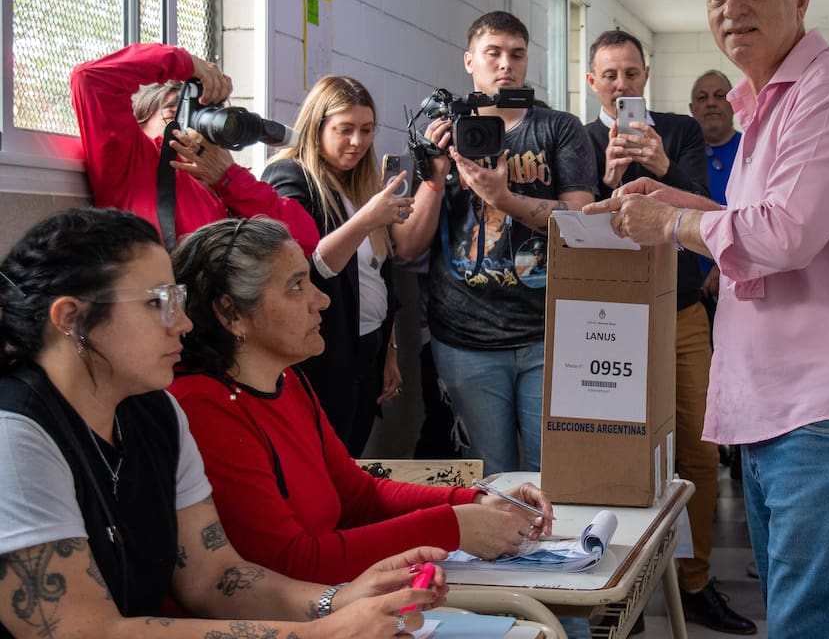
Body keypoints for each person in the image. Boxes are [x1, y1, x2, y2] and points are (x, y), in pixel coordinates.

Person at [584, 0, 829, 638]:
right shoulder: (767, 107)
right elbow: (760, 221)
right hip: (785, 412)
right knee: (798, 622)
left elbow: (787, 235)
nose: (731, 6)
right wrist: (678, 203)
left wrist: (669, 227)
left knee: (813, 627)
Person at [0, 207, 445, 639]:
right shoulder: (14, 436)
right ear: (71, 320)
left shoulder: (157, 412)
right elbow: (84, 631)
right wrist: (321, 632)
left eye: (176, 298)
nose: (182, 322)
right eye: (156, 302)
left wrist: (338, 600)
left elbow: (214, 577)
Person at [167, 216, 554, 585]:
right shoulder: (203, 407)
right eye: (297, 286)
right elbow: (288, 563)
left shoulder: (287, 380)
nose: (322, 301)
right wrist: (454, 526)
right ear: (230, 313)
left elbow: (359, 497)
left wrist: (478, 500)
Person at [583, 31, 754, 635]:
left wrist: (659, 163)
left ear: (646, 74)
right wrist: (606, 182)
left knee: (699, 450)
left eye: (631, 73)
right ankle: (609, 588)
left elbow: (712, 207)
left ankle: (696, 580)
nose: (622, 85)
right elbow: (579, 224)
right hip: (610, 318)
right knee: (614, 451)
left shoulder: (679, 130)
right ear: (592, 81)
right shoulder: (577, 140)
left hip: (681, 310)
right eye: (610, 75)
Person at [393, 10, 597, 476]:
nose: (506, 64)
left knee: (556, 474)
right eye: (493, 53)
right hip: (466, 339)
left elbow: (583, 224)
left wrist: (503, 198)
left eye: (516, 54)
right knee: (491, 476)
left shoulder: (558, 128)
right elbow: (407, 248)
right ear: (470, 61)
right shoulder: (440, 136)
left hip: (549, 334)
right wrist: (436, 176)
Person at [261, 76, 443, 455]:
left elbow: (378, 276)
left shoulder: (358, 186)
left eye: (366, 130)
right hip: (322, 351)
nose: (357, 142)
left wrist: (388, 351)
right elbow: (307, 269)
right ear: (316, 128)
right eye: (344, 130)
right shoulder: (290, 177)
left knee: (349, 459)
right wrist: (366, 221)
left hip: (367, 347)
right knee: (323, 459)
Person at [71, 43, 319, 254]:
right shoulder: (131, 161)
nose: (189, 127)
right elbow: (90, 78)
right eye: (173, 112)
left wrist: (229, 178)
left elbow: (305, 240)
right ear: (141, 119)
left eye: (201, 114)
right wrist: (186, 63)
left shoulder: (226, 185)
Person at [686, 68, 739, 315]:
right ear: (691, 108)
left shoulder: (754, 150)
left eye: (719, 95)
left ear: (734, 103)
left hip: (738, 281)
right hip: (686, 292)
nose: (711, 103)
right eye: (702, 97)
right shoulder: (677, 158)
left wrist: (724, 266)